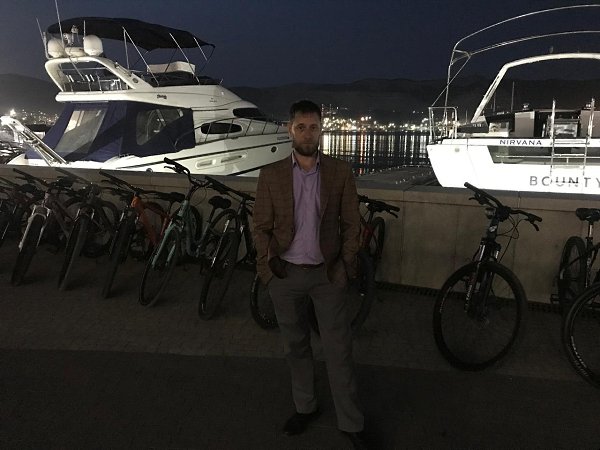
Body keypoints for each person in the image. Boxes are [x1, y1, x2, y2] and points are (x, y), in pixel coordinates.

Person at [253, 100, 369, 449]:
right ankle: (305, 407)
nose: (307, 133)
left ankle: (351, 423)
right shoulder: (271, 175)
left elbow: (352, 224)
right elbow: (261, 226)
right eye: (301, 127)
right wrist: (267, 269)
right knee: (296, 347)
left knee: (338, 350)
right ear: (290, 129)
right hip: (285, 275)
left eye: (313, 127)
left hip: (327, 275)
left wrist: (344, 265)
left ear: (321, 129)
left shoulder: (339, 172)